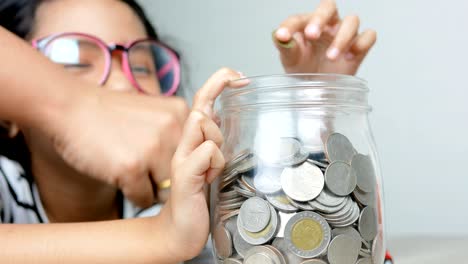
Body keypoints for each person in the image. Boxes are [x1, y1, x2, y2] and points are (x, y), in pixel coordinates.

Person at [0, 0, 376, 262]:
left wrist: (313, 101)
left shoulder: (181, 196)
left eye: (143, 66)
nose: (118, 85)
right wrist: (73, 106)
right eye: (73, 63)